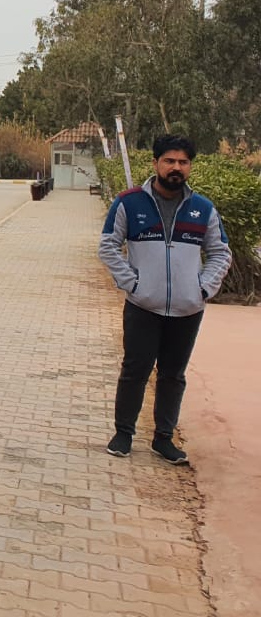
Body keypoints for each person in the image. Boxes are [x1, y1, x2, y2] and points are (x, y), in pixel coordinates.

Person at [98, 135, 232, 464]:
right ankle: (123, 433)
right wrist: (133, 283)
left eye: (183, 162)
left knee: (173, 374)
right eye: (169, 161)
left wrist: (202, 289)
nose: (176, 167)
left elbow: (220, 252)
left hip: (187, 309)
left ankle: (163, 438)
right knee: (135, 369)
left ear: (190, 167)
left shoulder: (203, 209)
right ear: (156, 163)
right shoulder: (129, 203)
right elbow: (108, 246)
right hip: (143, 305)